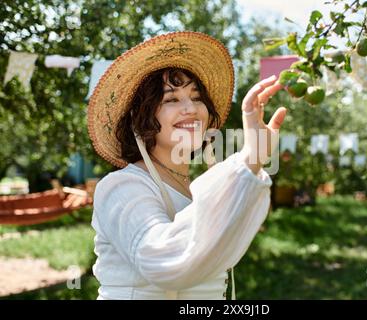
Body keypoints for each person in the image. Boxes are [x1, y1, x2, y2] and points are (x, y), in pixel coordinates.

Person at [87, 31, 287, 300]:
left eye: (196, 97)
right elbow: (164, 261)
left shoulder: (197, 188)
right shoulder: (121, 186)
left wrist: (256, 158)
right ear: (141, 117)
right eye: (171, 99)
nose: (191, 109)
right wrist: (248, 157)